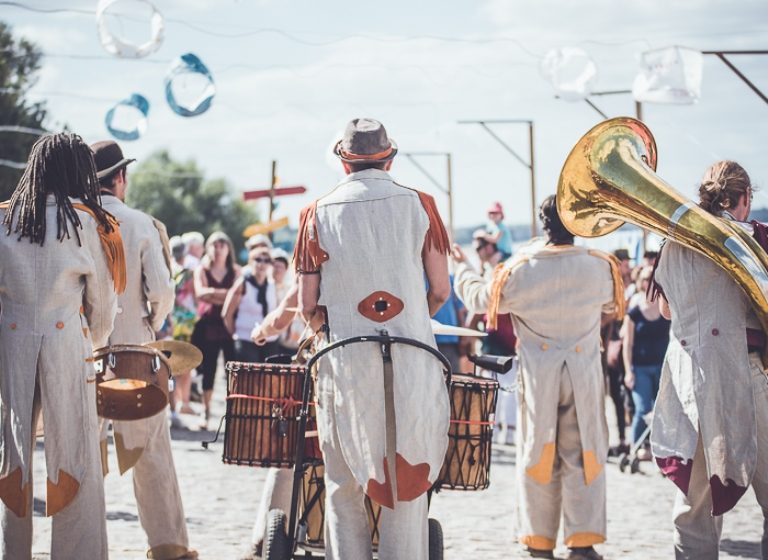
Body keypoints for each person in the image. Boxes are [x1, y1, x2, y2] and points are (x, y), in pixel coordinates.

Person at [296, 118, 451, 560]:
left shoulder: (317, 212)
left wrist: (337, 322)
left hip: (345, 359)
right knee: (408, 475)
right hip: (412, 357)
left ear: (344, 163)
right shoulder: (420, 204)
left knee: (343, 482)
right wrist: (414, 322)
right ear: (389, 158)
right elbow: (440, 290)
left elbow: (308, 305)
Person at [453, 195, 623, 560]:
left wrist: (465, 266)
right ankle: (582, 541)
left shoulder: (521, 268)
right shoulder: (599, 267)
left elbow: (481, 301)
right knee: (585, 455)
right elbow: (611, 305)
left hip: (539, 374)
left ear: (543, 225)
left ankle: (539, 540)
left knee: (537, 454)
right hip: (583, 374)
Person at [0, 133, 121, 559]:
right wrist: (97, 340)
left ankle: (12, 551)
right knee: (76, 452)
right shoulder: (86, 223)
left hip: (12, 346)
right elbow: (103, 306)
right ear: (76, 171)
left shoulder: (4, 220)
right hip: (67, 345)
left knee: (13, 455)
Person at [650, 160, 768, 559]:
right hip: (746, 374)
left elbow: (665, 310)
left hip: (689, 376)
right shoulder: (757, 238)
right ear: (745, 199)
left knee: (694, 506)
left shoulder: (674, 241)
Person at [91, 139, 196, 560]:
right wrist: (151, 321)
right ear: (120, 178)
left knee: (84, 449)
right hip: (136, 344)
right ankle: (168, 545)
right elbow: (162, 291)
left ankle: (82, 543)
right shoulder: (141, 223)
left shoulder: (73, 221)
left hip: (82, 348)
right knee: (151, 449)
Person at [621, 266, 670, 457]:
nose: (648, 282)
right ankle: (635, 449)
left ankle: (661, 452)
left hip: (663, 368)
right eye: (645, 278)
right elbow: (628, 344)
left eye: (652, 278)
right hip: (639, 369)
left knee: (663, 411)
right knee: (643, 409)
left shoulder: (665, 308)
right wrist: (628, 371)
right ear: (640, 282)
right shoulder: (633, 312)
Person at [191, 231, 238, 429]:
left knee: (232, 370)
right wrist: (228, 295)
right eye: (214, 245)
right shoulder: (201, 269)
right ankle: (206, 410)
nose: (218, 249)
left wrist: (214, 294)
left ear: (228, 249)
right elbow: (201, 294)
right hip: (208, 325)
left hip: (230, 326)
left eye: (222, 245)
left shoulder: (236, 271)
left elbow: (240, 296)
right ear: (208, 248)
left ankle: (233, 413)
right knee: (208, 369)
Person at [222, 245, 279, 362]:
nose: (262, 264)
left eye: (266, 260)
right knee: (250, 379)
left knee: (268, 378)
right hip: (246, 339)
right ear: (250, 261)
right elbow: (226, 314)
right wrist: (236, 334)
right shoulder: (243, 283)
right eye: (258, 260)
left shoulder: (272, 285)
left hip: (269, 339)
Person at [169, 236, 197, 417]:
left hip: (167, 321)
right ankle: (183, 402)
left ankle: (174, 403)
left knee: (170, 364)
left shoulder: (166, 271)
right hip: (185, 322)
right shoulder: (188, 273)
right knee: (185, 364)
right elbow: (194, 296)